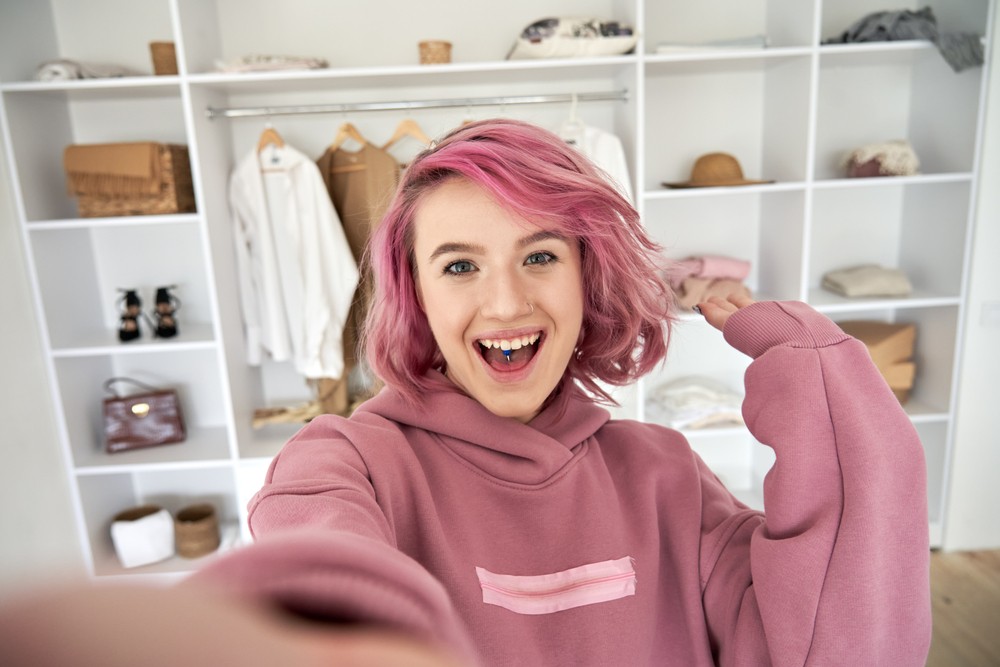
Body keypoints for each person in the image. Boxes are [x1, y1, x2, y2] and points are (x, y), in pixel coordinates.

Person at [0, 119, 931, 666]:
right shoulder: (347, 459)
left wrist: (811, 363)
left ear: (585, 277)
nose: (505, 301)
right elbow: (324, 578)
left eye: (538, 255)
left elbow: (835, 645)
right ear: (416, 295)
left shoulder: (668, 474)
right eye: (459, 264)